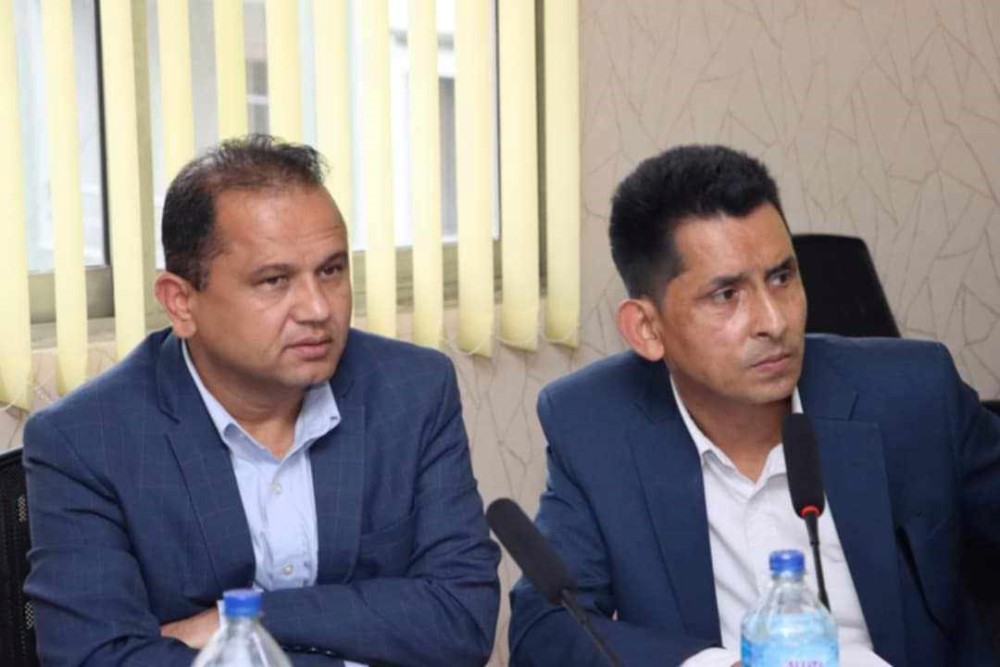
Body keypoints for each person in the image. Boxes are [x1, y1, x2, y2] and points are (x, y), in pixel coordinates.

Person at [508, 145, 1000, 666]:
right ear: (647, 328)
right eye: (726, 295)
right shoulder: (594, 426)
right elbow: (545, 629)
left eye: (782, 278)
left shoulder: (914, 395)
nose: (774, 321)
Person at [24, 135, 500, 666]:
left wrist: (244, 621)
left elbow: (462, 619)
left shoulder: (412, 390)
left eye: (331, 270)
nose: (318, 309)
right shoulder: (86, 440)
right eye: (275, 280)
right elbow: (98, 659)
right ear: (181, 303)